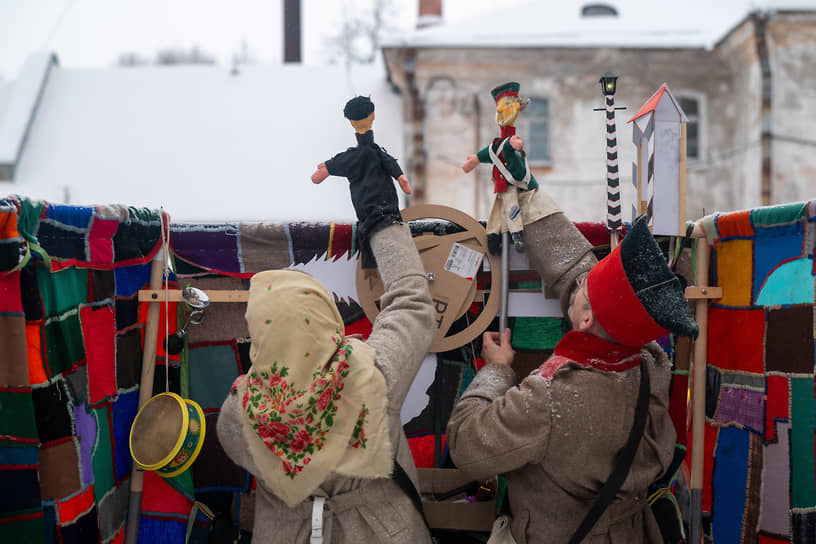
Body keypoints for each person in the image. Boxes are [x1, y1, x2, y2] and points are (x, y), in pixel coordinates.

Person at [447, 216, 699, 543]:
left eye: (585, 288)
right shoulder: (651, 362)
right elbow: (578, 275)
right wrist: (530, 199)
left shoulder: (550, 397)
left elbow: (465, 443)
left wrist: (497, 370)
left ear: (586, 318)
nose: (580, 283)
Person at [217, 171, 435, 542]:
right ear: (325, 317)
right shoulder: (374, 374)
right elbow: (412, 302)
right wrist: (382, 220)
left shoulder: (236, 415)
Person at [311, 95, 411, 276]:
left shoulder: (352, 157)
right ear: (372, 116)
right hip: (389, 212)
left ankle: (370, 272)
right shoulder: (378, 154)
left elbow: (318, 176)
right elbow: (402, 179)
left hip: (367, 215)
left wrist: (326, 167)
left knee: (368, 237)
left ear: (351, 122)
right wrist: (404, 184)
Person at [462, 82, 561, 255]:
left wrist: (514, 144)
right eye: (500, 106)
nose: (501, 110)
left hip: (513, 182)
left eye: (507, 105)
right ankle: (493, 236)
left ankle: (516, 233)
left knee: (510, 203)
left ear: (516, 108)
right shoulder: (498, 144)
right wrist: (476, 158)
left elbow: (506, 146)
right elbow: (492, 151)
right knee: (498, 209)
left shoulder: (507, 142)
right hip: (503, 183)